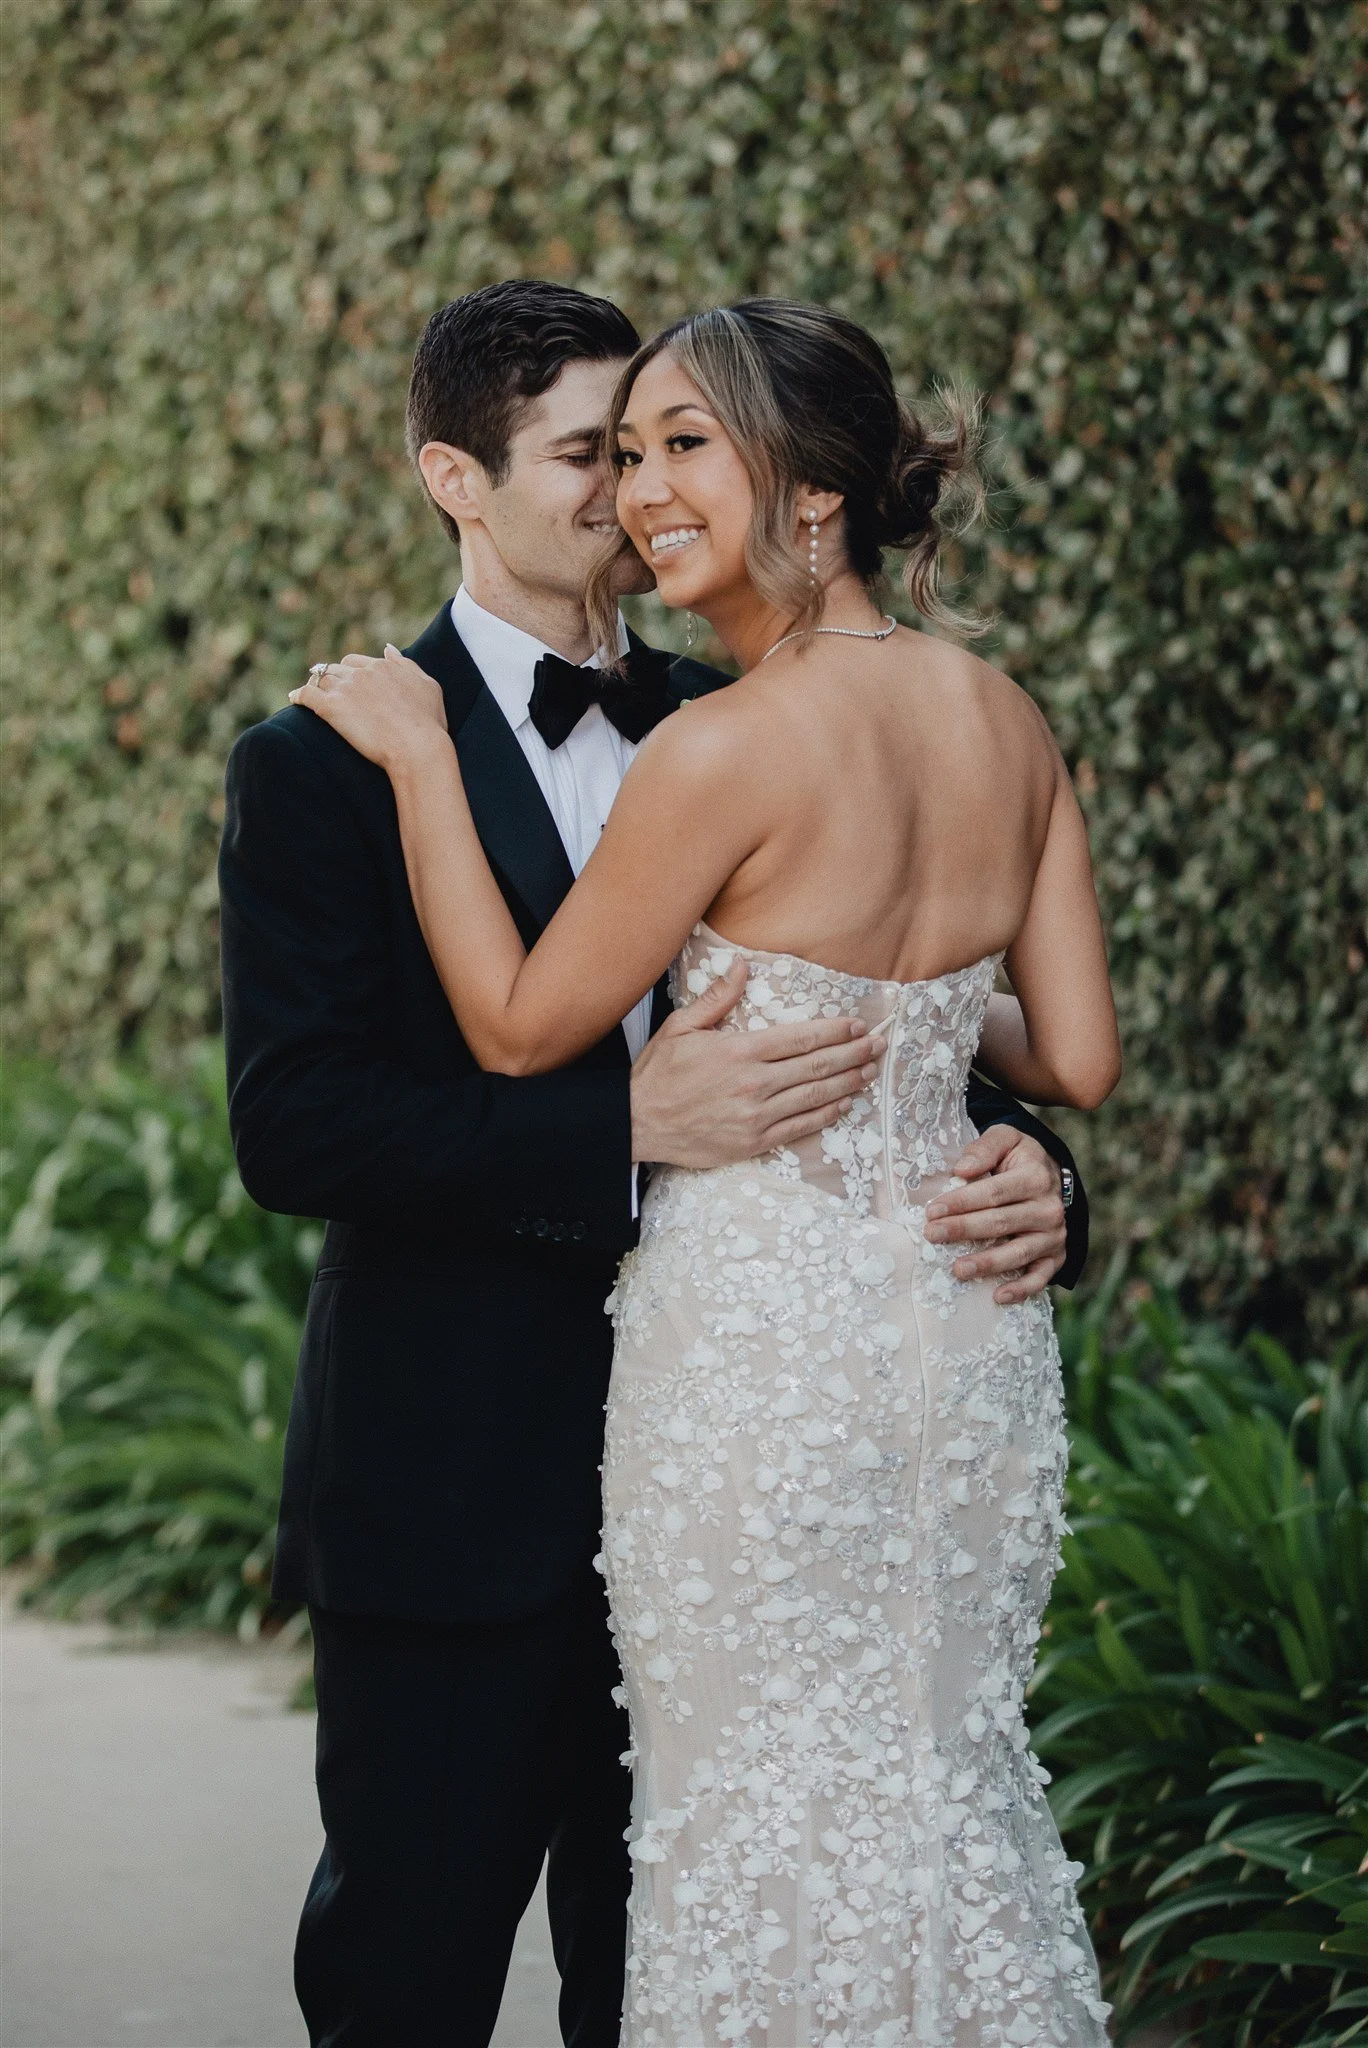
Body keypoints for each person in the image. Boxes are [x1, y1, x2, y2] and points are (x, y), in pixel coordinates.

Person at [223, 280, 1092, 2046]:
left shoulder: (738, 711)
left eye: (652, 446)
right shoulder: (324, 762)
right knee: (411, 1973)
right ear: (452, 479)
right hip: (468, 1479)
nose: (627, 494)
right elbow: (298, 1124)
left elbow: (910, 1041)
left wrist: (1049, 1189)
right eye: (585, 457)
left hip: (764, 1485)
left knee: (702, 1962)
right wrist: (614, 1135)